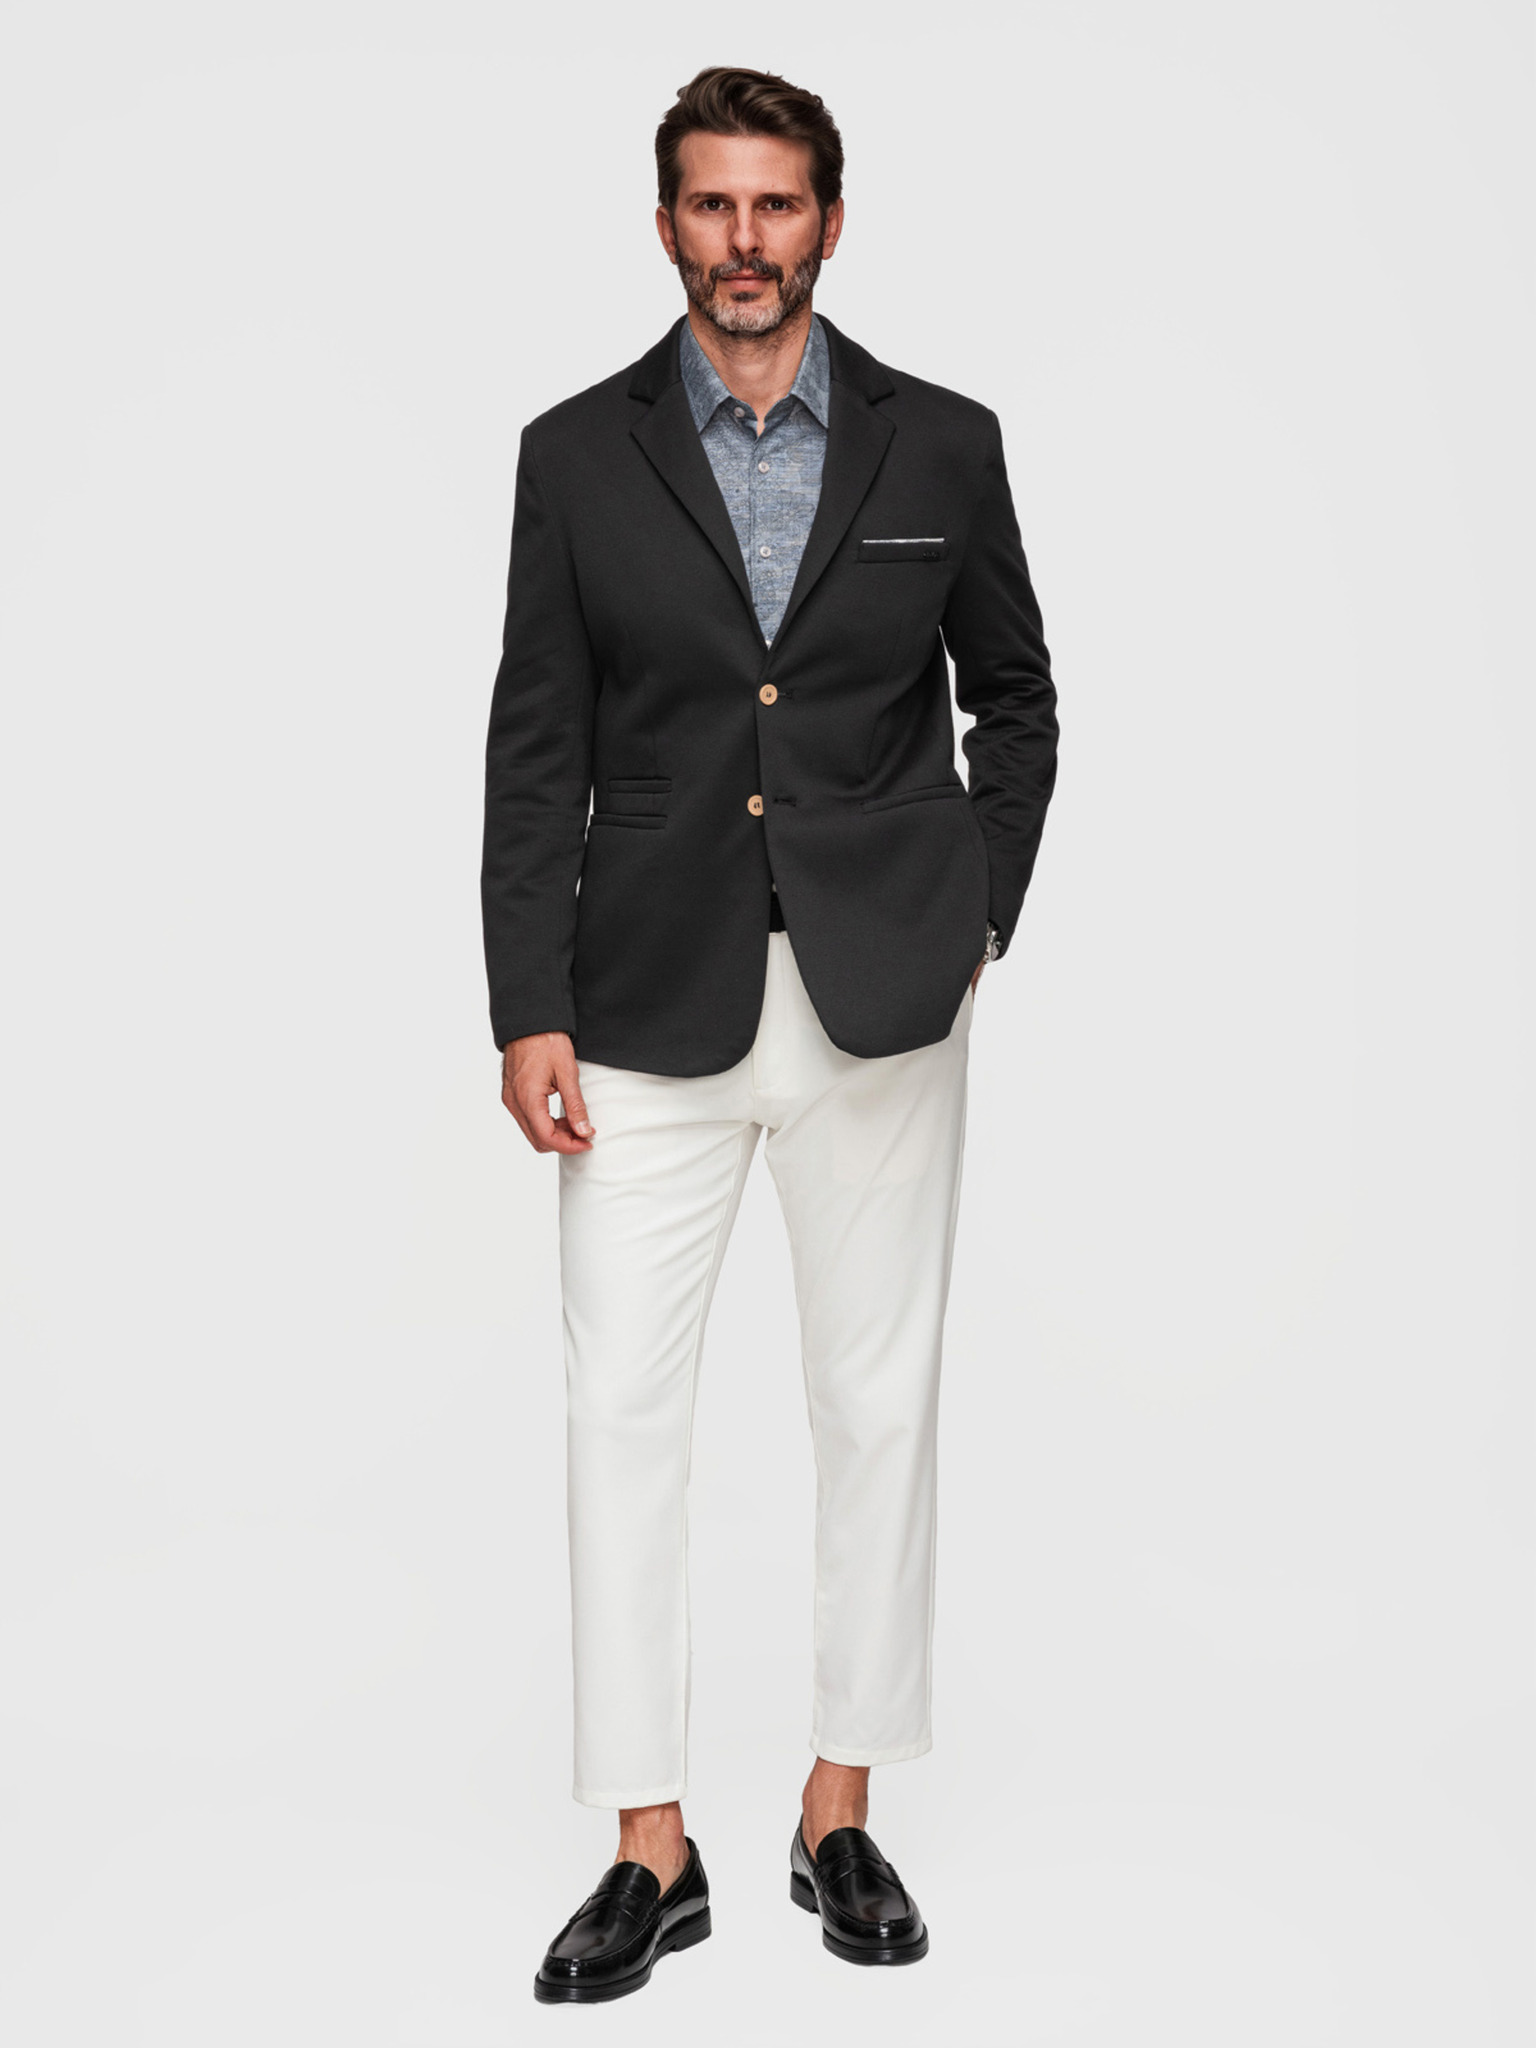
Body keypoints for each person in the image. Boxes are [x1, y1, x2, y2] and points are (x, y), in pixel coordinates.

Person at [481, 64, 1059, 2004]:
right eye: (714, 205)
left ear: (831, 221)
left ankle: (838, 1806)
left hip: (882, 999)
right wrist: (528, 1003)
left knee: (876, 1403)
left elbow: (1017, 700)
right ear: (667, 225)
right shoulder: (574, 454)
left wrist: (975, 906)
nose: (747, 240)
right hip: (642, 1004)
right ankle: (650, 1845)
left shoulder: (942, 444)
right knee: (620, 1417)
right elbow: (536, 744)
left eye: (778, 204)